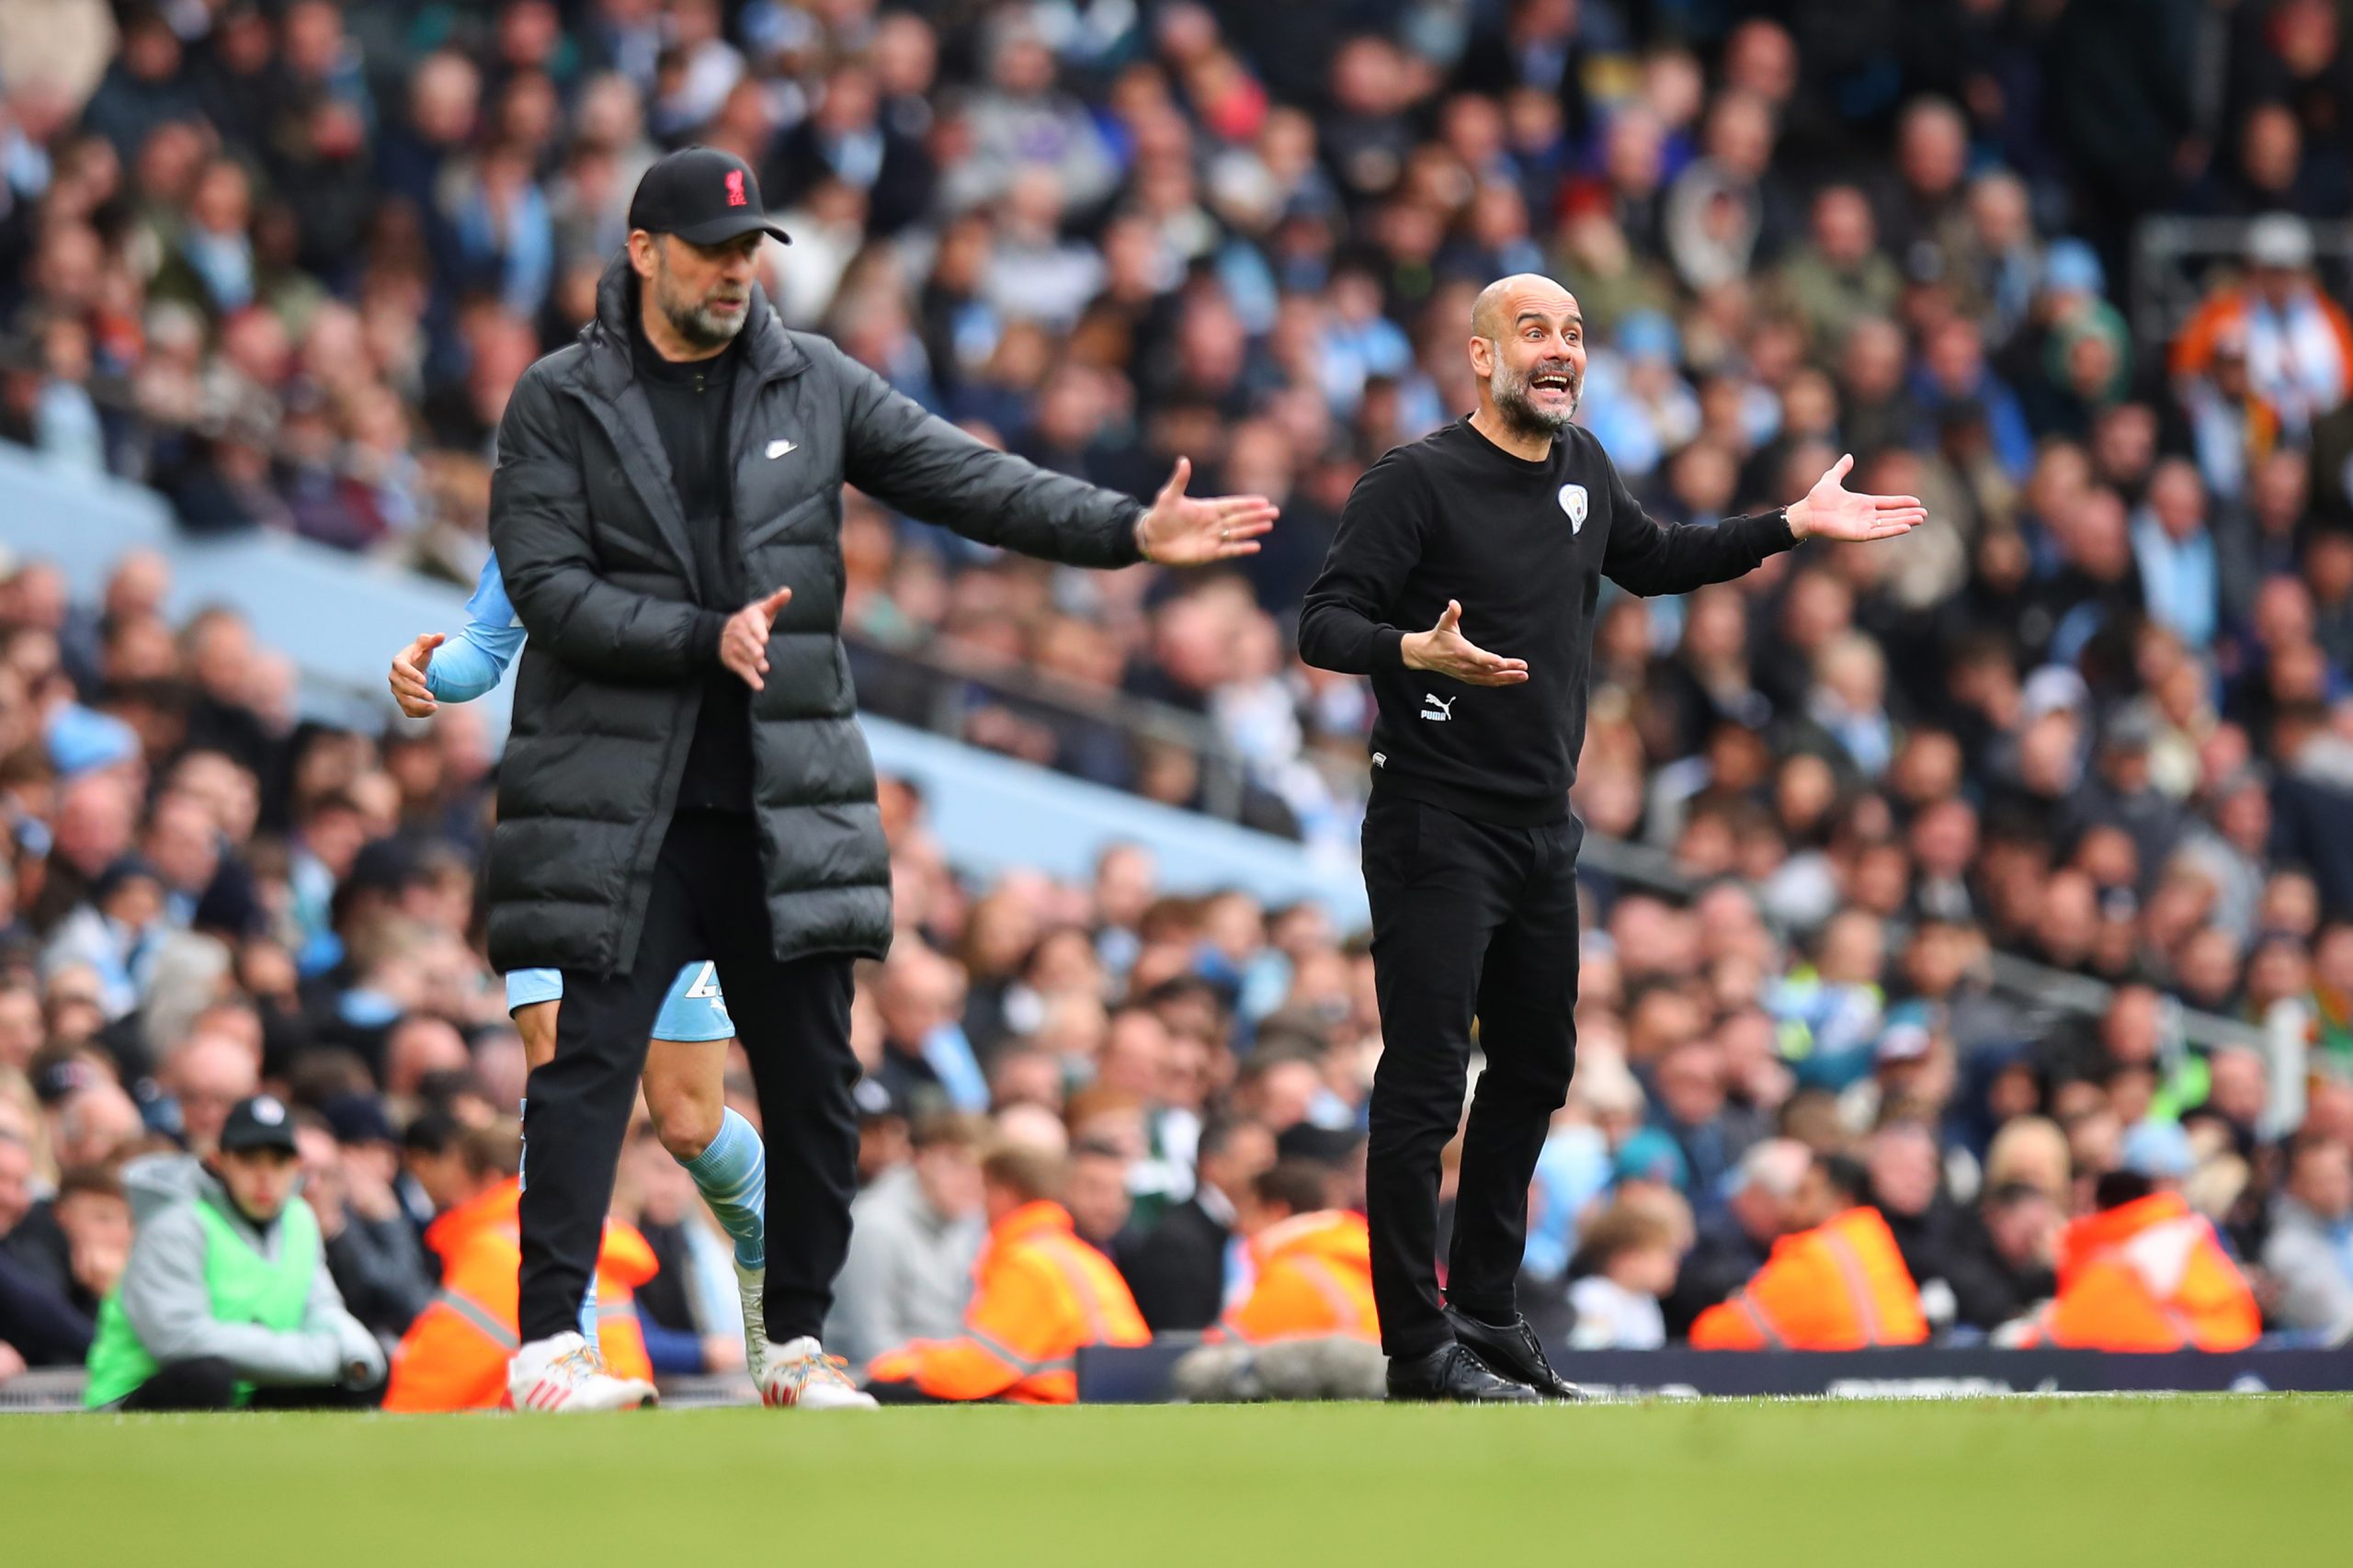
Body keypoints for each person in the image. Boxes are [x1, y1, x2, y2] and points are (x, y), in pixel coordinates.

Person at [486, 147, 1271, 1413]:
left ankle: (793, 1347)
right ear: (642, 252)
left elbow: (972, 483)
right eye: (713, 251)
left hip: (782, 800)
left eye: (752, 251)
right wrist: (701, 636)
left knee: (814, 1086)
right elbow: (544, 588)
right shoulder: (557, 400)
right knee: (584, 1075)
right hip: (616, 803)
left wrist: (1128, 531)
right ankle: (549, 1348)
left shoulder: (814, 380)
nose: (738, 272)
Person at [1297, 273, 1924, 1401]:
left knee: (1537, 1065)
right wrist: (1411, 651)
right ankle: (1415, 1347)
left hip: (1543, 827)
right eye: (1533, 331)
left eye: (1574, 334)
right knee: (1428, 1082)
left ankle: (1484, 1306)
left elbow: (1658, 558)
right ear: (1482, 358)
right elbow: (1324, 622)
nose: (1560, 350)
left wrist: (1789, 525)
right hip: (1435, 821)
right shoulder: (1416, 479)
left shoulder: (1584, 470)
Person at [388, 547, 772, 1381]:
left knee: (687, 1119)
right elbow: (481, 651)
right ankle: (566, 1351)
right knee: (562, 1072)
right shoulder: (540, 514)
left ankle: (769, 1264)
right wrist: (428, 676)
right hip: (555, 839)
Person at [83, 1095, 386, 1410]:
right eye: (250, 1160)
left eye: (278, 1162)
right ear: (219, 1161)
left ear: (296, 1167)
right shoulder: (176, 1223)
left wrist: (361, 1352)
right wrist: (320, 1356)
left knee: (360, 1375)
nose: (265, 1177)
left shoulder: (299, 1218)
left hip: (243, 1391)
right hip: (130, 1398)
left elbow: (321, 1308)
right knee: (207, 1376)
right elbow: (179, 1341)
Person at [383, 1121, 660, 1414]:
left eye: (455, 1182)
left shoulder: (498, 1250)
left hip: (543, 1427)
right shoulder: (574, 1241)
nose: (447, 1200)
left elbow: (432, 1379)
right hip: (618, 1415)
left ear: (488, 1181)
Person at [863, 1142, 1149, 1403]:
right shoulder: (1080, 1255)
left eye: (984, 1190)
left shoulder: (1028, 1264)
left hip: (1061, 1405)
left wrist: (902, 1364)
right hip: (1108, 1399)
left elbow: (974, 1371)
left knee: (882, 1391)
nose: (981, 1205)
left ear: (1004, 1192)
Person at [1688, 1152, 1928, 1350]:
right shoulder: (1872, 1239)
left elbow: (1718, 1335)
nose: (1788, 1208)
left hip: (1848, 1390)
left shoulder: (1818, 1253)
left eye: (1804, 1194)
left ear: (1842, 1200)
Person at [823, 1110, 986, 1370]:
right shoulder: (876, 1226)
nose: (973, 1179)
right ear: (920, 1159)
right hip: (860, 1384)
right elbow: (874, 1348)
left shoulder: (968, 1224)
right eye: (957, 1162)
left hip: (934, 1378)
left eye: (983, 1168)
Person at [1121, 1115, 1275, 1331]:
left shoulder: (1253, 1231)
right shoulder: (1175, 1240)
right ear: (1213, 1166)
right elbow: (1181, 1332)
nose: (1269, 1176)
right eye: (1258, 1165)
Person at [1222, 1161, 1377, 1344]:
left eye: (1247, 1213)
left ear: (1277, 1211)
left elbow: (1229, 1351)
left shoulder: (1292, 1274)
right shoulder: (1350, 1253)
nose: (1241, 1226)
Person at [2263, 1136, 2353, 1343]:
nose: (2333, 1190)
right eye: (2322, 1180)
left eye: (2340, 1178)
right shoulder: (2285, 1249)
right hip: (2320, 1364)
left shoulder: (2348, 1235)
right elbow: (2336, 1318)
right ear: (2298, 1186)